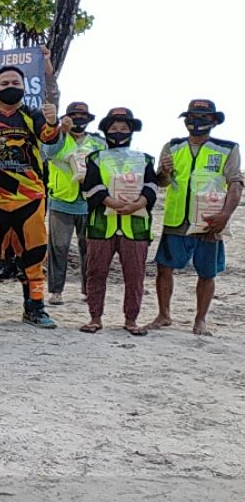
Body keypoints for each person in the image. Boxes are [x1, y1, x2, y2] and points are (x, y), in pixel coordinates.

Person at [0, 65, 60, 329]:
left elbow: (49, 138)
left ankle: (35, 308)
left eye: (15, 82)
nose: (10, 86)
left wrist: (52, 122)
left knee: (34, 257)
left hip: (29, 198)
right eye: (5, 83)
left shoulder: (33, 115)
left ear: (24, 87)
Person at [151, 99, 243, 336]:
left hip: (209, 219)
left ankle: (200, 320)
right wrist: (164, 171)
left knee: (207, 271)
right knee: (164, 268)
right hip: (175, 217)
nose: (196, 122)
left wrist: (225, 215)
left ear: (213, 121)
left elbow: (235, 183)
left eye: (203, 118)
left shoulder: (227, 148)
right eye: (191, 117)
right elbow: (161, 182)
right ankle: (164, 315)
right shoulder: (172, 146)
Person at [79, 108, 157, 336]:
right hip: (102, 225)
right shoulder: (95, 158)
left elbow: (152, 187)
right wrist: (112, 203)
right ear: (105, 131)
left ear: (132, 131)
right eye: (114, 128)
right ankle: (95, 317)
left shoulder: (144, 159)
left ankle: (131, 319)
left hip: (135, 226)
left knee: (135, 274)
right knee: (96, 272)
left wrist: (137, 204)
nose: (119, 133)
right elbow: (91, 187)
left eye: (124, 128)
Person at [42, 101, 106, 306]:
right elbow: (48, 153)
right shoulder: (56, 136)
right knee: (58, 248)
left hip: (90, 201)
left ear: (89, 120)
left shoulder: (98, 142)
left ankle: (88, 290)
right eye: (74, 116)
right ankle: (56, 291)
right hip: (61, 199)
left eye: (83, 116)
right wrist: (61, 131)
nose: (79, 120)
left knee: (89, 249)